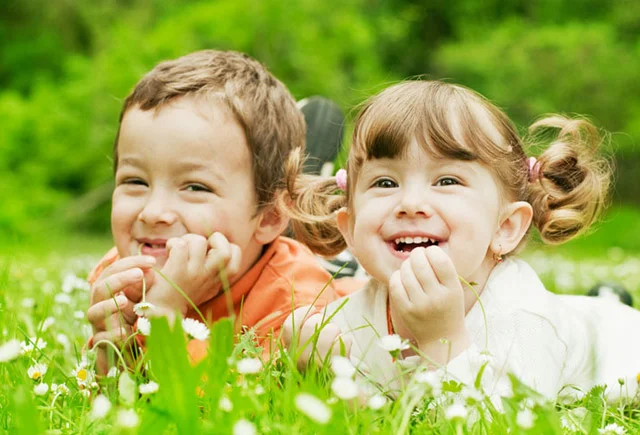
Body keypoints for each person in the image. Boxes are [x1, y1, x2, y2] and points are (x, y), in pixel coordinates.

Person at [283, 80, 640, 401]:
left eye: (447, 181)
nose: (410, 204)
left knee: (598, 322)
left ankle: (607, 300)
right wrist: (310, 348)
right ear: (350, 228)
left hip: (622, 339)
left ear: (505, 228)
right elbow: (341, 364)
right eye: (385, 183)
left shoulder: (523, 320)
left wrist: (443, 339)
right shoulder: (367, 305)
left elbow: (499, 421)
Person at [85, 50, 359, 373]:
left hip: (331, 278)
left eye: (195, 187)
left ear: (269, 216)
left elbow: (223, 409)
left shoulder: (294, 306)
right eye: (135, 180)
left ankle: (321, 213)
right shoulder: (122, 274)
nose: (152, 212)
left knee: (344, 266)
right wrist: (111, 353)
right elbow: (113, 405)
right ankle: (295, 179)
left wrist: (164, 316)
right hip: (260, 222)